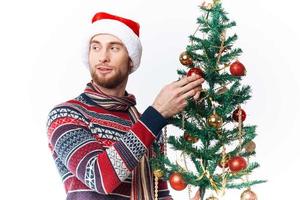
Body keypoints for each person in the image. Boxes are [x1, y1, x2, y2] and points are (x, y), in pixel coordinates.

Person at [47, 12, 204, 200]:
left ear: (131, 59)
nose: (103, 57)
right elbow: (98, 177)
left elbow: (158, 194)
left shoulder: (144, 122)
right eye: (95, 48)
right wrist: (156, 114)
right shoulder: (66, 114)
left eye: (114, 48)